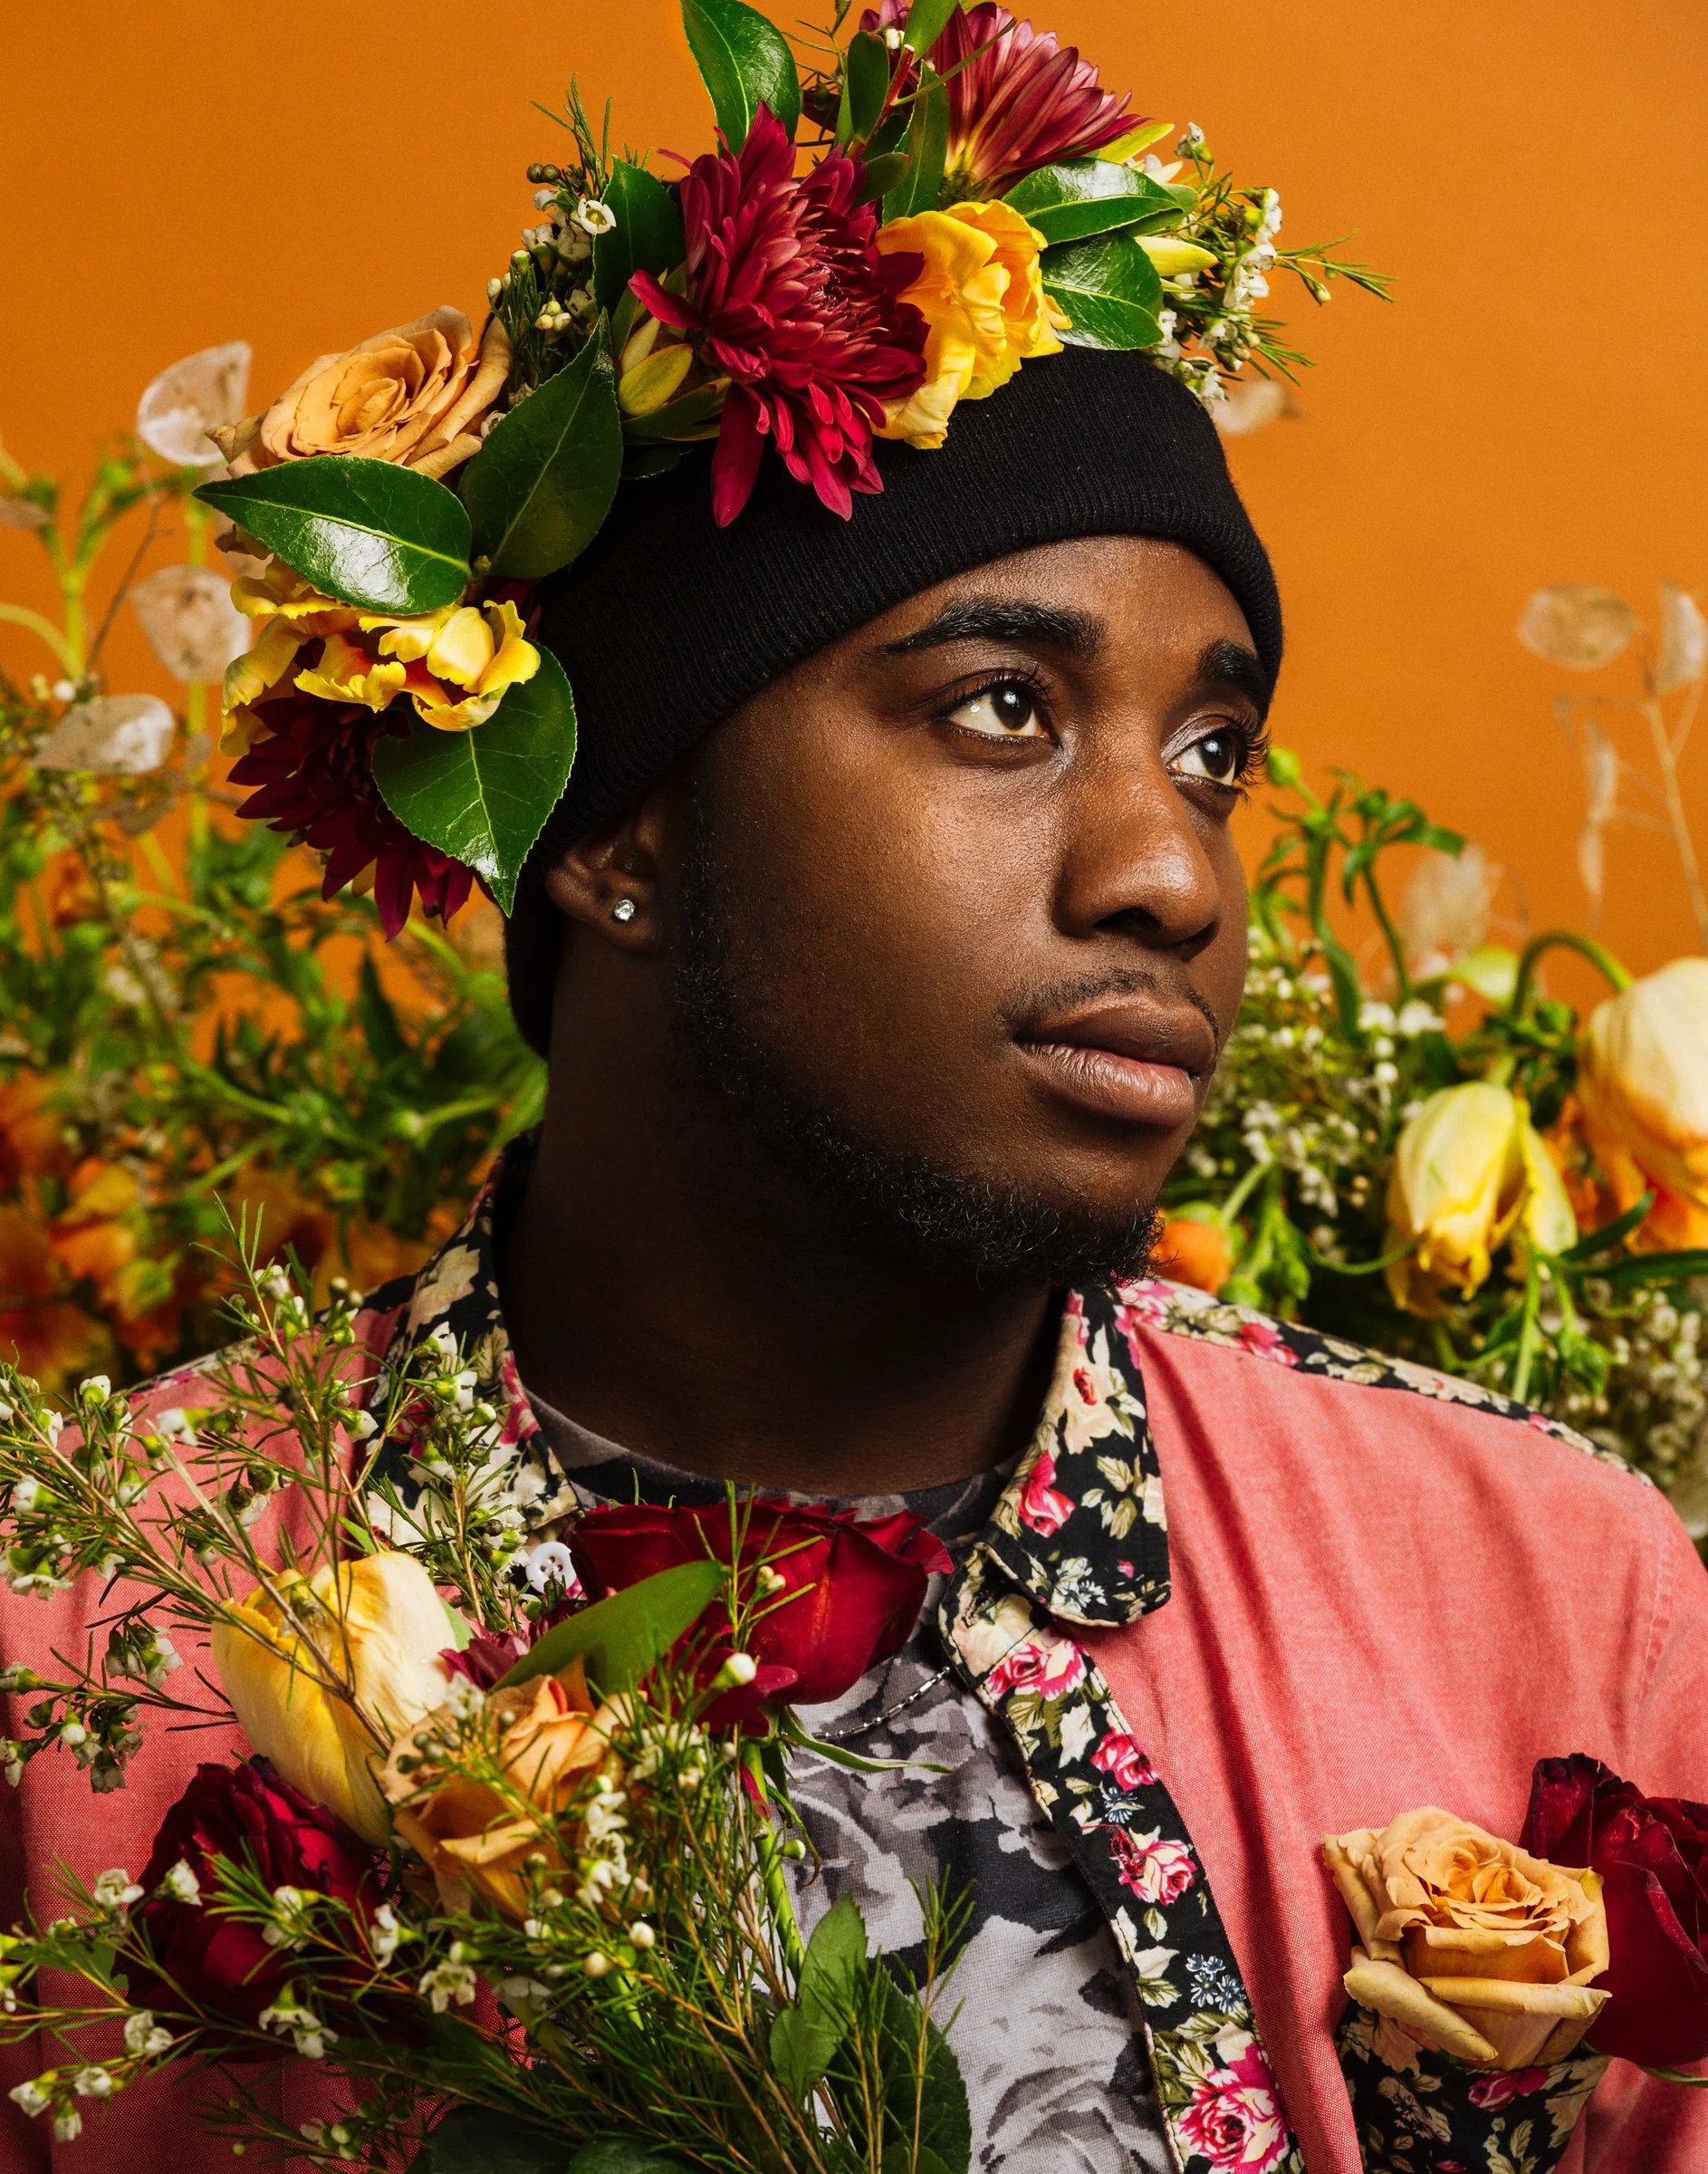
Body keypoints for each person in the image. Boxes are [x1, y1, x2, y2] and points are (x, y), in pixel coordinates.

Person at [4, 349, 1706, 2174]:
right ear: (612, 829)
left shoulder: (1542, 1579)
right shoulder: (77, 1632)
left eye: (1211, 757)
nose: (1174, 877)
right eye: (998, 708)